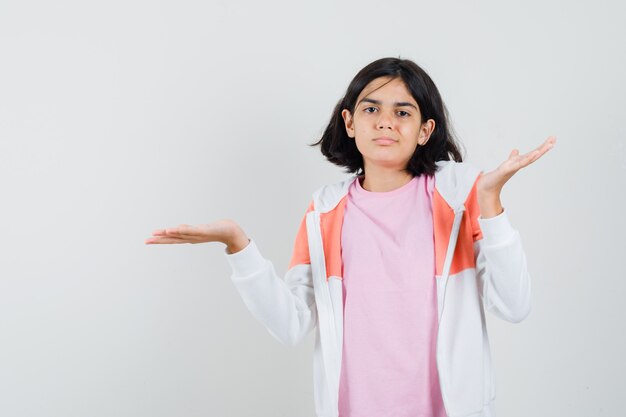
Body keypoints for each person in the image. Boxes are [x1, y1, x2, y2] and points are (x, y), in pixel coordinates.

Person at [145, 57, 555, 417]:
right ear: (349, 122)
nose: (385, 122)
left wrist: (490, 202)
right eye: (371, 108)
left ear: (425, 130)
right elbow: (291, 324)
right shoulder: (325, 211)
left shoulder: (461, 196)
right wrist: (238, 245)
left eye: (403, 113)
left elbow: (514, 305)